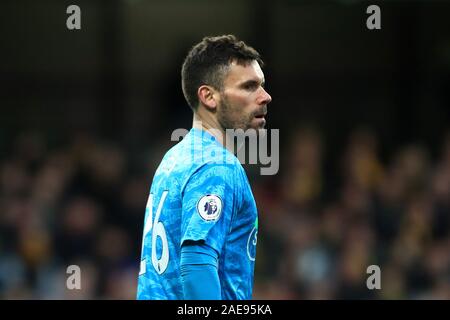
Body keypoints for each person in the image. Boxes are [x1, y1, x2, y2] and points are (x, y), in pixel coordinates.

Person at [136, 34, 272, 300]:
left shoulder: (173, 159)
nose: (265, 96)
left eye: (262, 86)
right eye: (249, 86)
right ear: (209, 96)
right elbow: (196, 264)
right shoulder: (217, 166)